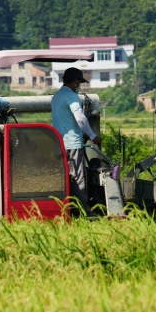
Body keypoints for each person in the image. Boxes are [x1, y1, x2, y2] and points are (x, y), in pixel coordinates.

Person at [52, 67, 100, 213]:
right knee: (78, 179)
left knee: (65, 178)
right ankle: (84, 211)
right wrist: (92, 135)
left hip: (59, 145)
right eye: (79, 82)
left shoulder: (57, 97)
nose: (79, 86)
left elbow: (65, 122)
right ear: (74, 81)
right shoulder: (72, 97)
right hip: (72, 145)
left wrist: (82, 134)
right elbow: (80, 118)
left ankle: (66, 209)